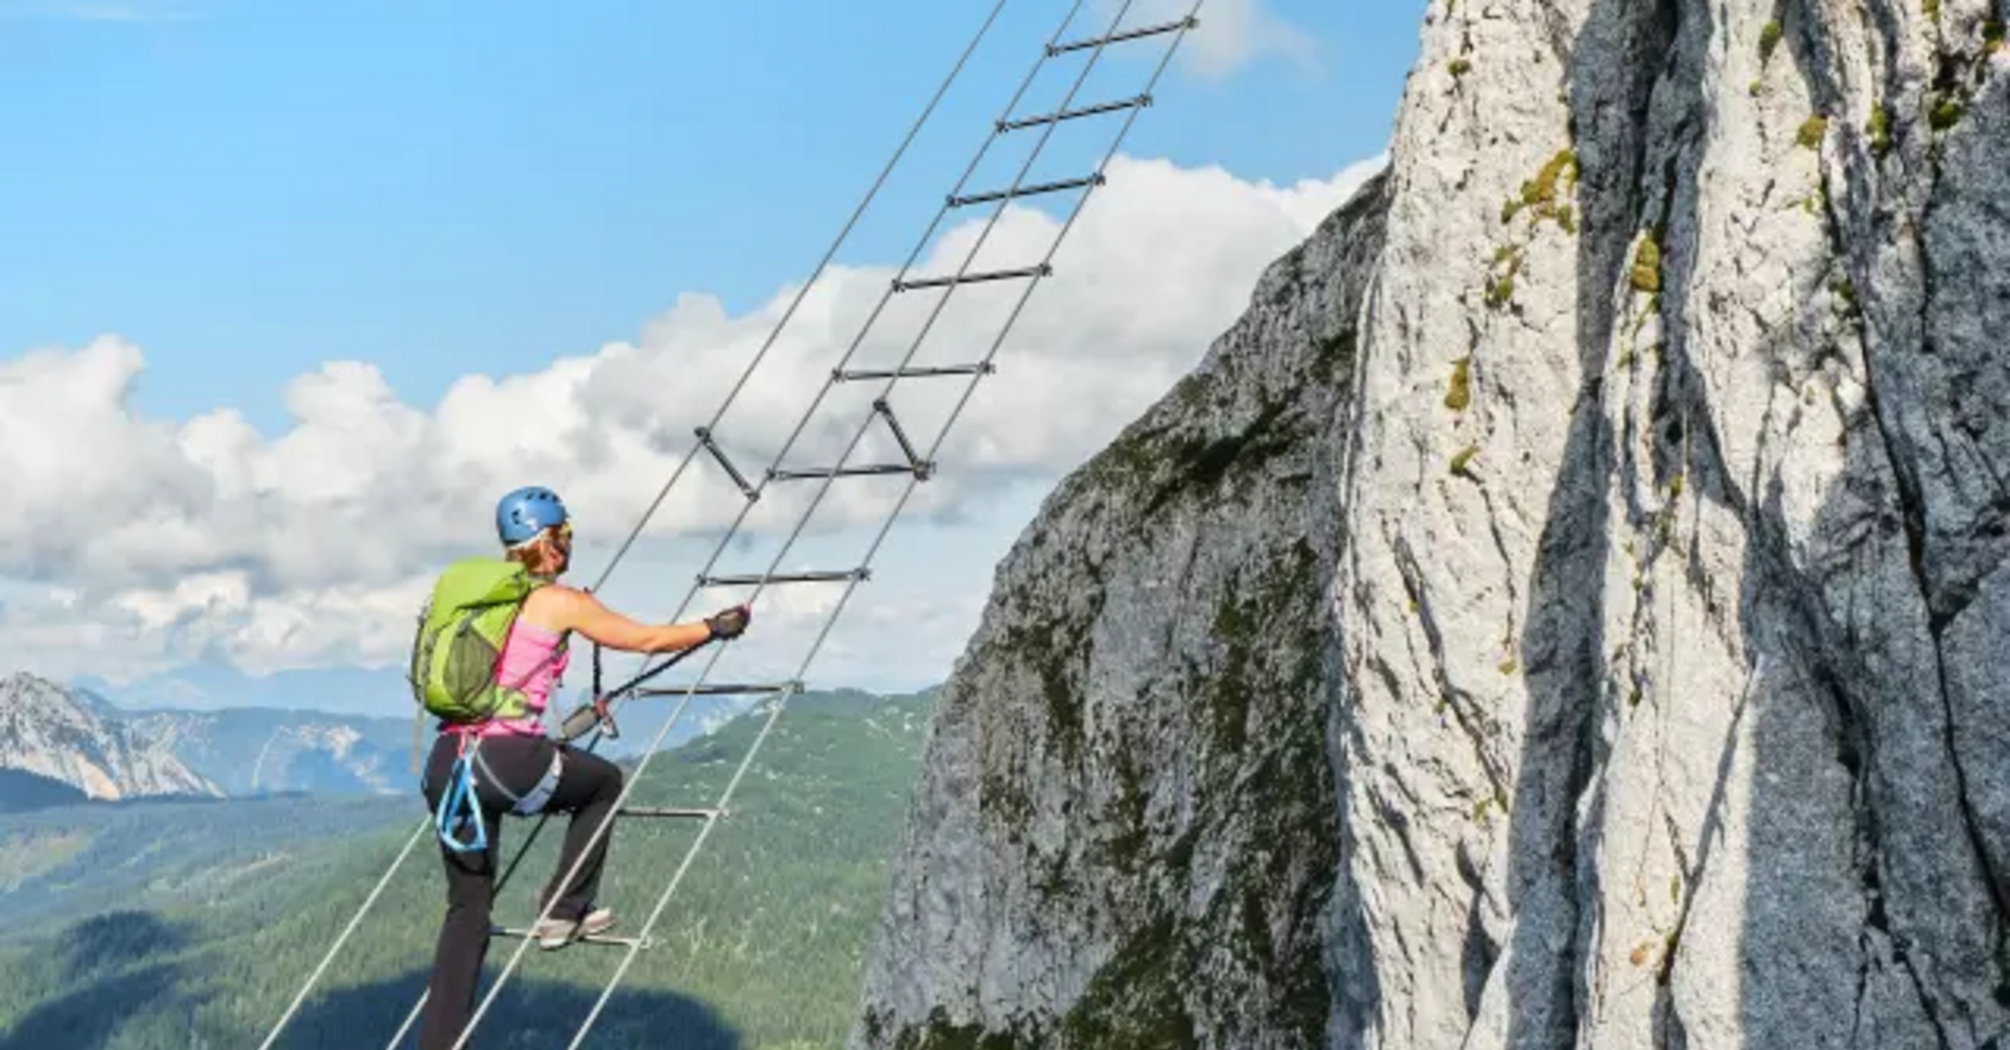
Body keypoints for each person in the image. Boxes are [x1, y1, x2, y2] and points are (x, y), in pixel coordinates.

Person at [417, 485, 750, 1050]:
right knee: (603, 783)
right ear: (548, 542)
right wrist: (713, 628)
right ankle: (563, 908)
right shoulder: (560, 601)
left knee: (467, 908)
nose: (570, 546)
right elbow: (646, 640)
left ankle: (441, 1043)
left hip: (448, 763)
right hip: (503, 760)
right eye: (566, 536)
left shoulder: (476, 602)